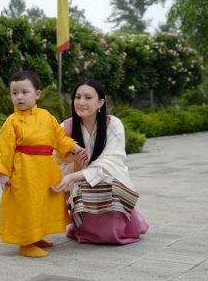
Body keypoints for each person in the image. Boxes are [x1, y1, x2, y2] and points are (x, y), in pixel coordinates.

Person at [0, 70, 88, 258]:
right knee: (27, 205)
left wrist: (74, 148)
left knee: (41, 204)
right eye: (14, 93)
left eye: (24, 92)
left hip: (45, 169)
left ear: (37, 94)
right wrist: (4, 174)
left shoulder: (46, 116)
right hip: (24, 171)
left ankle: (37, 236)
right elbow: (4, 149)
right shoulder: (12, 122)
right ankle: (26, 242)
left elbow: (59, 137)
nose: (19, 97)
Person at [52, 78, 149, 244]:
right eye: (77, 97)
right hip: (78, 185)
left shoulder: (113, 124)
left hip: (108, 180)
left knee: (112, 233)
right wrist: (74, 162)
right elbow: (56, 161)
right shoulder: (65, 128)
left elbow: (111, 162)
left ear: (100, 103)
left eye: (88, 98)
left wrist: (73, 177)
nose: (81, 102)